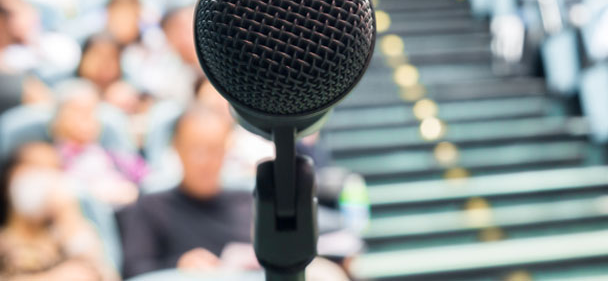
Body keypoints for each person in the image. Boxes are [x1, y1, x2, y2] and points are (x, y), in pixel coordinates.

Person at [119, 107, 359, 278]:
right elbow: (134, 269)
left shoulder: (247, 199)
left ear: (227, 150)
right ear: (176, 149)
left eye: (214, 149)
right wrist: (181, 263)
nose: (206, 161)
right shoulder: (152, 206)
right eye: (196, 150)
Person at [0, 142, 118, 280]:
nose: (47, 179)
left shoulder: (70, 233)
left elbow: (109, 277)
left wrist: (69, 216)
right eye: (36, 167)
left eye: (54, 169)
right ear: (11, 176)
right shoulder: (4, 240)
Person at [52, 81, 145, 207]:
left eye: (91, 112)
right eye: (77, 111)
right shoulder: (53, 157)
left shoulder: (112, 154)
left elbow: (144, 175)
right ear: (59, 118)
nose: (87, 119)